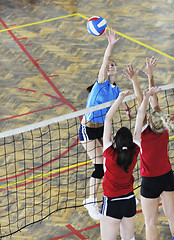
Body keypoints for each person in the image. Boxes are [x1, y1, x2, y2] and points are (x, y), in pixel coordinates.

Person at [79, 28, 133, 220]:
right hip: (88, 130)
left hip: (102, 129)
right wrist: (110, 46)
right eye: (108, 65)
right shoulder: (100, 82)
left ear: (116, 70)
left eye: (113, 65)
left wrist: (127, 109)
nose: (110, 66)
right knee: (99, 165)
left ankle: (115, 193)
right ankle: (91, 200)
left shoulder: (115, 88)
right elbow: (105, 60)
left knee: (112, 162)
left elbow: (121, 96)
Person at [123, 56, 174, 240]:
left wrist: (134, 79)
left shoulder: (143, 133)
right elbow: (153, 102)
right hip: (168, 176)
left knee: (150, 222)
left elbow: (141, 103)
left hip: (150, 181)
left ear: (149, 123)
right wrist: (149, 75)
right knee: (172, 218)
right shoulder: (165, 129)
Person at [100, 87, 161, 240]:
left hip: (112, 203)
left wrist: (119, 98)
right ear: (130, 142)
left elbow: (107, 119)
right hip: (129, 202)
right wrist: (145, 97)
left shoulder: (110, 153)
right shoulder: (134, 153)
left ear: (115, 142)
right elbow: (140, 117)